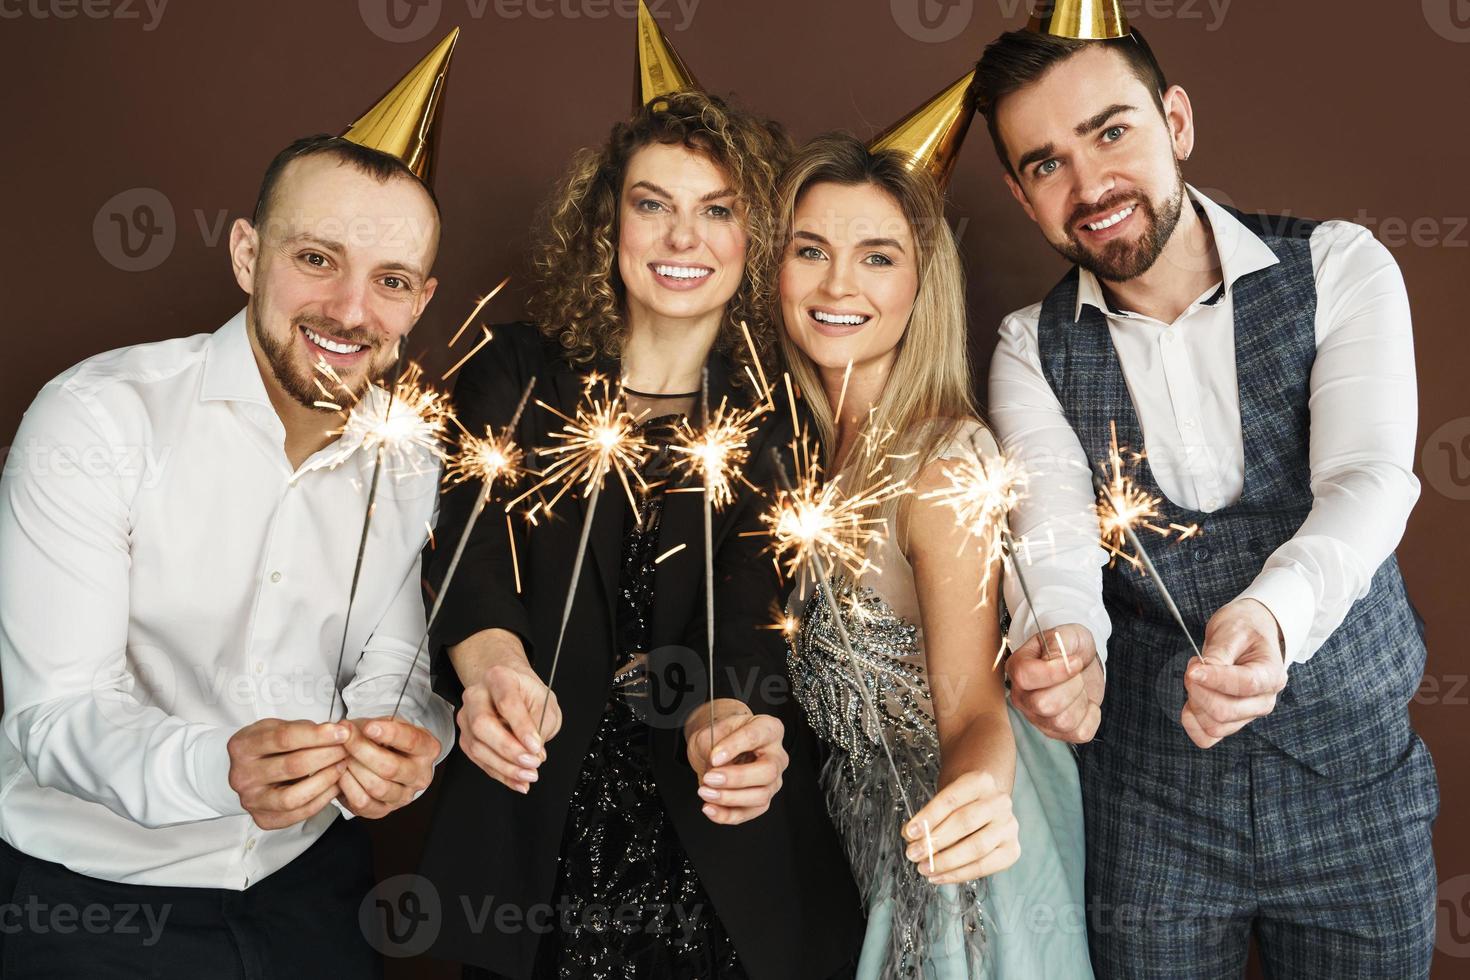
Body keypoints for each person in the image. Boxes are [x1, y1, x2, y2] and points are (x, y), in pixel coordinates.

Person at [977, 14, 1437, 978]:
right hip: (1153, 812)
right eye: (1047, 163)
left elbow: (1369, 479)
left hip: (1353, 785)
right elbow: (1053, 541)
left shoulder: (1341, 266)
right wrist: (1061, 646)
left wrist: (1270, 618)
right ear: (1022, 197)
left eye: (1113, 131)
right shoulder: (1031, 346)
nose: (1090, 185)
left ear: (1175, 120)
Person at [0, 29, 462, 980]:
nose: (349, 312)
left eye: (390, 282)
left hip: (312, 894)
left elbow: (391, 660)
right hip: (92, 901)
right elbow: (52, 716)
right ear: (248, 253)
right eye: (318, 259)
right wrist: (218, 767)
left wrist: (409, 737)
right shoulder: (98, 417)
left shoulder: (407, 451)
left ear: (419, 301)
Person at [416, 86, 864, 980]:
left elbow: (752, 619)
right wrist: (494, 672)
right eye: (652, 204)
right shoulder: (517, 371)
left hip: (711, 853)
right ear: (607, 223)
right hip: (530, 831)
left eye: (717, 211)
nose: (680, 238)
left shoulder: (779, 420)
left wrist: (731, 725)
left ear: (757, 240)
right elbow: (466, 559)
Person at [775, 124, 1093, 977]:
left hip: (955, 841)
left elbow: (974, 709)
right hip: (862, 836)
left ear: (923, 283)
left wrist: (974, 803)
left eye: (877, 257)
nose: (838, 283)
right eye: (811, 250)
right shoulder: (802, 451)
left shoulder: (941, 463)